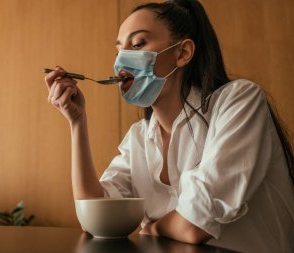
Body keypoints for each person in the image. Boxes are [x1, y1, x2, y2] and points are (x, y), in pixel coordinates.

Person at [44, 1, 294, 252]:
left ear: (183, 53)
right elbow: (96, 220)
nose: (121, 60)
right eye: (118, 50)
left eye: (138, 44)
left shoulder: (239, 100)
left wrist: (154, 228)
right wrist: (77, 123)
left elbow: (195, 225)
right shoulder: (139, 138)